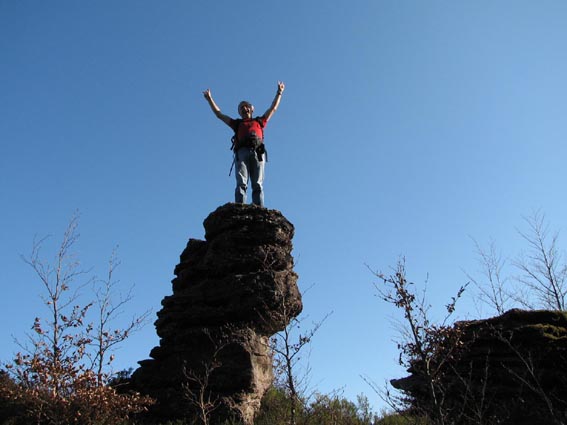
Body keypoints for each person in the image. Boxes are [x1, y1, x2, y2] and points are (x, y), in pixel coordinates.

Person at [203, 81, 285, 207]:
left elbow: (273, 108)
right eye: (241, 108)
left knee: (257, 183)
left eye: (246, 106)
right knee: (241, 182)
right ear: (239, 113)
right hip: (242, 152)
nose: (244, 108)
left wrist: (279, 93)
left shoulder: (260, 121)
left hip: (258, 151)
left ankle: (258, 208)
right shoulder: (237, 124)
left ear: (252, 109)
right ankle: (240, 207)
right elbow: (219, 115)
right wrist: (210, 99)